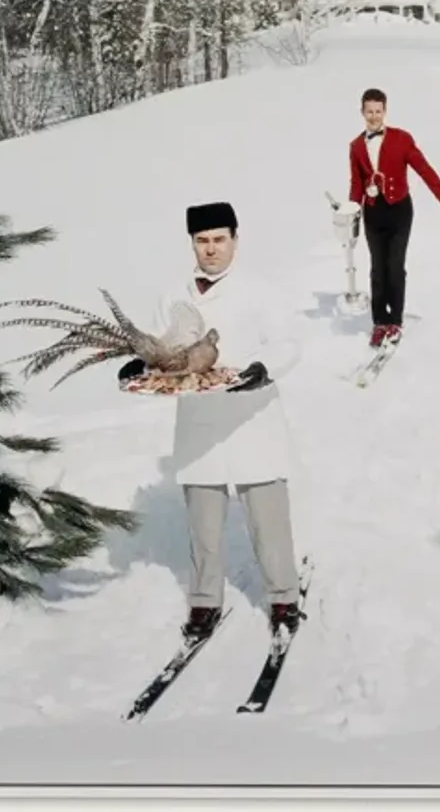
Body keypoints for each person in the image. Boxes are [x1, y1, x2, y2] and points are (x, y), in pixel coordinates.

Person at [118, 201, 303, 643]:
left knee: (267, 520)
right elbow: (162, 349)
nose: (212, 249)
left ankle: (283, 596)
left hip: (251, 416)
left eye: (220, 239)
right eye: (203, 241)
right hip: (199, 421)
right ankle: (205, 602)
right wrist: (138, 366)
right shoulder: (173, 294)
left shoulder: (260, 290)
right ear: (192, 244)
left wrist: (264, 367)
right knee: (203, 524)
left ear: (235, 239)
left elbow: (290, 342)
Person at [346, 88, 440, 348]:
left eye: (378, 111)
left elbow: (424, 169)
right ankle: (379, 322)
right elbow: (356, 183)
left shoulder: (401, 139)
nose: (374, 116)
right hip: (373, 212)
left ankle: (395, 320)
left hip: (399, 210)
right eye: (369, 111)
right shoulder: (355, 147)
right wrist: (352, 210)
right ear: (362, 112)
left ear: (385, 111)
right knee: (377, 269)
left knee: (395, 267)